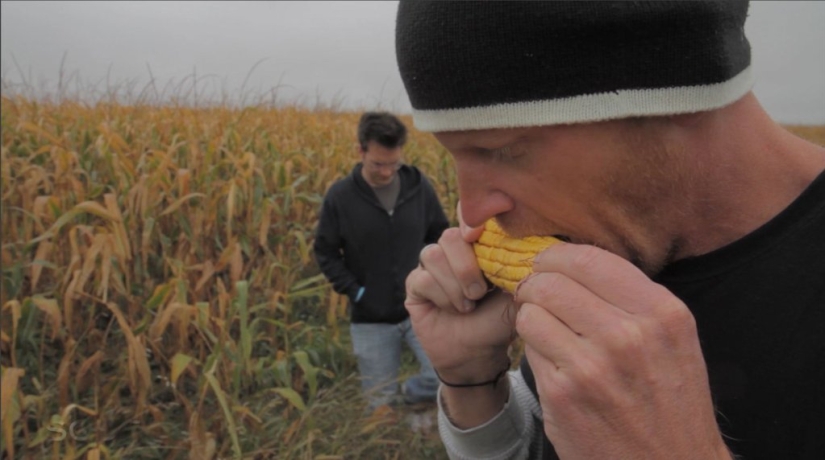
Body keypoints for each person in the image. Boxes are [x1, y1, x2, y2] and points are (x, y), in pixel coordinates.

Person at [394, 1, 825, 459]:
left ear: (676, 84)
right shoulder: (610, 236)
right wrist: (474, 384)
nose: (474, 212)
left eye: (502, 151)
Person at [313, 111, 450, 412]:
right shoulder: (340, 198)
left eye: (394, 163)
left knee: (445, 378)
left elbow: (439, 234)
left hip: (421, 309)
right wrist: (357, 291)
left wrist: (429, 278)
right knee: (379, 403)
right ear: (360, 150)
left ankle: (414, 403)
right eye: (378, 164)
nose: (387, 172)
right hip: (371, 320)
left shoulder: (418, 188)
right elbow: (325, 252)